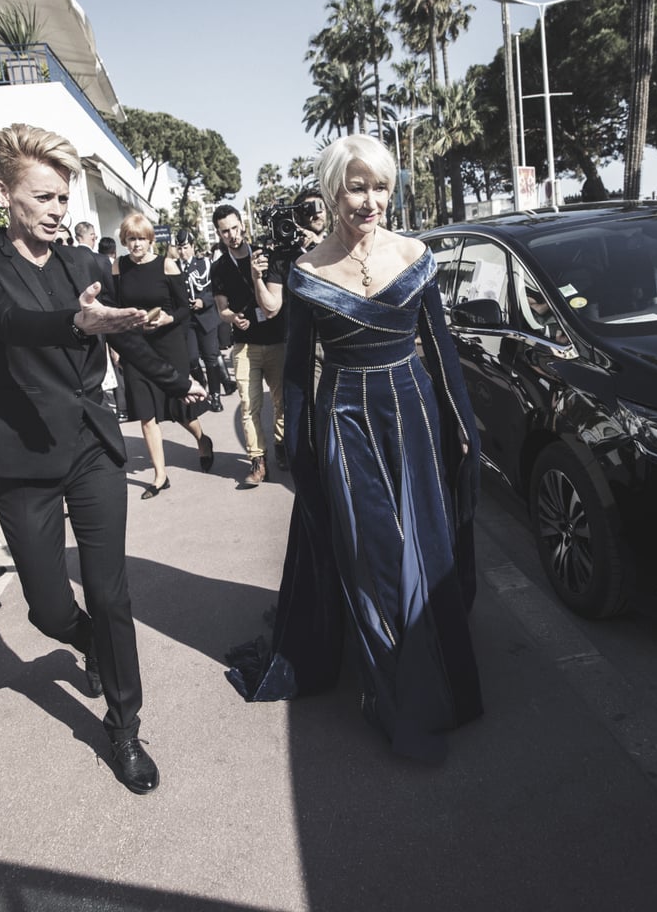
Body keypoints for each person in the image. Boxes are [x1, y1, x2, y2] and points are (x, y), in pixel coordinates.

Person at [226, 135, 483, 763]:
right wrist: (296, 444)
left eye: (382, 187)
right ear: (333, 189)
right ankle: (395, 695)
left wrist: (465, 429)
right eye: (357, 187)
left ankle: (438, 676)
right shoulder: (308, 272)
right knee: (371, 554)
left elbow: (442, 352)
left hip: (414, 413)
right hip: (344, 420)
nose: (371, 201)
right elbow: (294, 370)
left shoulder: (415, 255)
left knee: (424, 546)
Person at [0, 122, 206, 793]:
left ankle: (124, 727)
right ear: (4, 194)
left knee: (111, 593)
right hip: (20, 457)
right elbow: (10, 325)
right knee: (48, 607)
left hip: (91, 446)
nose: (58, 209)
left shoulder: (85, 265)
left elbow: (124, 339)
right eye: (43, 196)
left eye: (63, 197)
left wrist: (181, 384)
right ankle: (79, 639)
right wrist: (75, 323)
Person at [113, 214, 214, 497]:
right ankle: (160, 476)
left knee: (178, 409)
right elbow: (116, 309)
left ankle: (202, 439)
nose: (136, 244)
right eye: (131, 239)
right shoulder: (118, 267)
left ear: (150, 240)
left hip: (169, 345)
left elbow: (184, 308)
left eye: (141, 239)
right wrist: (116, 346)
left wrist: (168, 319)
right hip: (136, 346)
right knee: (146, 414)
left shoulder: (166, 265)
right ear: (124, 240)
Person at [211, 204, 285, 486]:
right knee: (249, 404)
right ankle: (258, 460)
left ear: (242, 225)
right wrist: (232, 318)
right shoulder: (218, 268)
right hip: (244, 346)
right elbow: (221, 309)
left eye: (233, 227)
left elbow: (275, 302)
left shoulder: (266, 257)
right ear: (219, 234)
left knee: (281, 402)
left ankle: (281, 447)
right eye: (224, 231)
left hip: (276, 340)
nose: (231, 235)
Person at [175, 230, 235, 412]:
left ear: (192, 247)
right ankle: (202, 385)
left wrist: (203, 301)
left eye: (185, 247)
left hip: (206, 318)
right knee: (192, 359)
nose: (182, 252)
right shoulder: (174, 266)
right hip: (187, 320)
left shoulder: (205, 264)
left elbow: (214, 289)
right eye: (179, 248)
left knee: (211, 358)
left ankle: (215, 396)